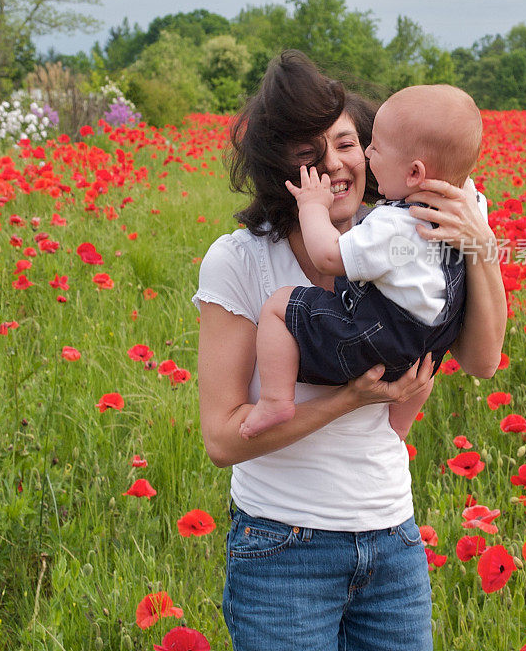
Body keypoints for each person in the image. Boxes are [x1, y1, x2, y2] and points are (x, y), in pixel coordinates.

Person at [194, 50, 506, 651]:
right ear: (278, 168)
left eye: (345, 143)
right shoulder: (239, 261)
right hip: (284, 550)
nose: (337, 164)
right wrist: (350, 399)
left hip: (393, 542)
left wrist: (480, 244)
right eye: (310, 154)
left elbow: (481, 361)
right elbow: (222, 440)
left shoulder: (406, 234)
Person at [240, 84, 484, 439]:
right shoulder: (472, 204)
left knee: (280, 306)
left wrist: (311, 206)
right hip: (429, 338)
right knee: (425, 362)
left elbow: (327, 256)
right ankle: (396, 430)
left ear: (414, 173)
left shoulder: (391, 225)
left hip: (378, 339)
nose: (368, 153)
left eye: (373, 147)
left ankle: (276, 400)